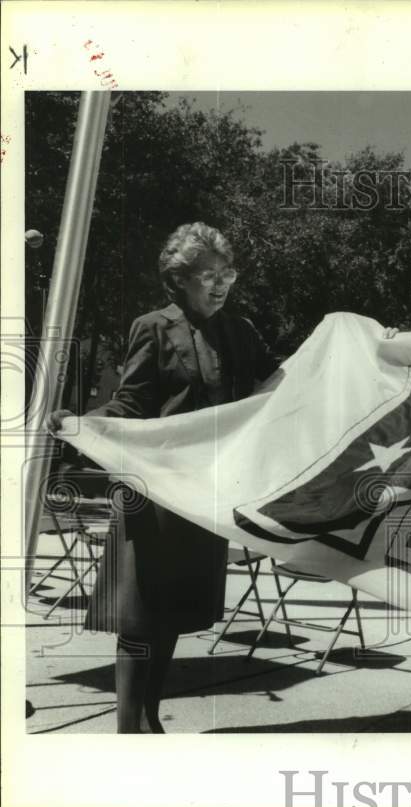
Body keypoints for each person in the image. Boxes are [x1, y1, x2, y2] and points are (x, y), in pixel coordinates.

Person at [48, 222, 279, 733]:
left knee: (174, 612)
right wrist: (82, 425)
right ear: (179, 281)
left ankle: (151, 718)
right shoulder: (151, 327)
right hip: (152, 493)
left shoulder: (241, 332)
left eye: (226, 273)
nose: (219, 284)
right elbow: (131, 403)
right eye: (206, 275)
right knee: (140, 614)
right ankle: (128, 728)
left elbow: (275, 382)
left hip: (206, 494)